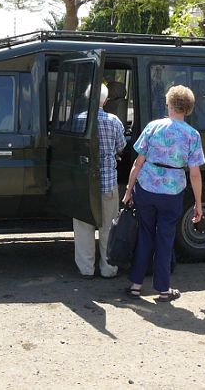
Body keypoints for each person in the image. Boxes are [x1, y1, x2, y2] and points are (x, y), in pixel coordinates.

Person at [123, 85, 205, 301]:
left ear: (169, 104)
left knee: (145, 235)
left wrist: (129, 190)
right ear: (188, 108)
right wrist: (198, 204)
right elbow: (195, 174)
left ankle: (135, 285)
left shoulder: (153, 127)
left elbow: (138, 163)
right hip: (172, 193)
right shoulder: (192, 135)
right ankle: (163, 289)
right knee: (165, 239)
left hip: (146, 189)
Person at [73, 83, 126, 279]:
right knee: (108, 228)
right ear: (105, 101)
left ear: (88, 98)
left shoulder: (77, 121)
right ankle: (108, 268)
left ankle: (86, 269)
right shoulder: (114, 121)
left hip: (84, 185)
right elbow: (121, 146)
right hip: (108, 183)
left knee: (83, 228)